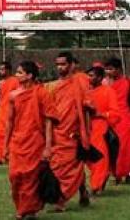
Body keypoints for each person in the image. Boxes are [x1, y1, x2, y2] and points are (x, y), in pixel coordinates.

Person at [4, 61, 57, 220]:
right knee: (15, 177)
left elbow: (49, 121)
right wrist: (5, 145)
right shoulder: (13, 95)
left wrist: (48, 146)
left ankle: (27, 211)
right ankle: (23, 207)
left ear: (30, 75)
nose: (17, 75)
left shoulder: (42, 93)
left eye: (20, 72)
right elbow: (10, 121)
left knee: (31, 178)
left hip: (35, 142)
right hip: (17, 142)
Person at [47, 52, 90, 211]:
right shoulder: (52, 86)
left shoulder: (81, 82)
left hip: (73, 132)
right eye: (58, 64)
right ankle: (82, 190)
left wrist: (85, 131)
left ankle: (61, 200)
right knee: (57, 166)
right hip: (57, 132)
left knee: (71, 166)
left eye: (63, 64)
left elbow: (87, 107)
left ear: (71, 65)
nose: (60, 67)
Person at [84, 65, 120, 195]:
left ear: (100, 78)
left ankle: (96, 185)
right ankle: (99, 179)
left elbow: (115, 113)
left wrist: (100, 113)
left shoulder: (108, 91)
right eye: (88, 75)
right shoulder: (85, 91)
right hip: (85, 127)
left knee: (99, 157)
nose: (89, 78)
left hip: (100, 126)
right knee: (88, 158)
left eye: (92, 76)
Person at [105, 57, 130, 183]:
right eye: (107, 69)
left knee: (124, 148)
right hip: (110, 119)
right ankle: (116, 174)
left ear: (119, 69)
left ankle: (125, 173)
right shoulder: (105, 84)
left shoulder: (126, 83)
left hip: (124, 119)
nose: (108, 72)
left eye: (111, 69)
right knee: (110, 148)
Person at [0, 61, 19, 165]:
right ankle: (0, 156)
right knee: (0, 133)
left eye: (3, 69)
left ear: (9, 70)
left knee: (10, 133)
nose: (1, 71)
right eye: (0, 69)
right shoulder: (0, 83)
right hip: (2, 110)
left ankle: (9, 154)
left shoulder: (15, 81)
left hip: (10, 109)